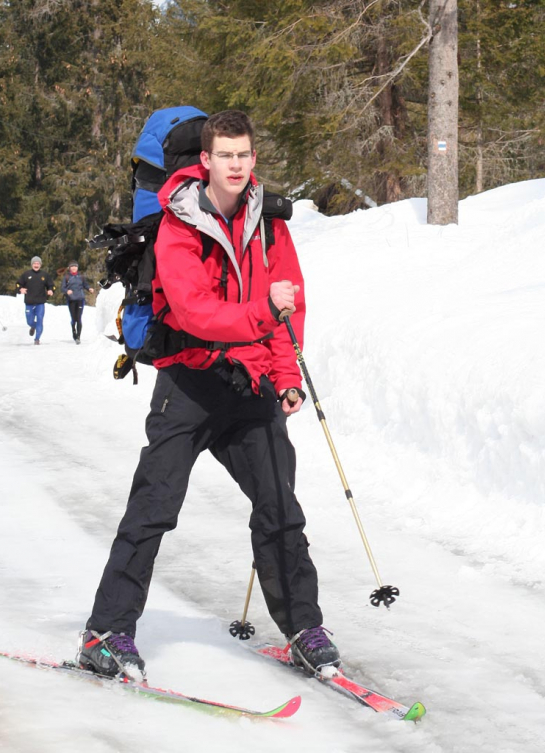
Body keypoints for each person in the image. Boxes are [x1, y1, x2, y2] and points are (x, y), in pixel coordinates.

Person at [78, 110, 341, 681]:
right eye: (226, 156)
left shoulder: (270, 225)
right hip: (189, 382)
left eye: (245, 155)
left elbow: (287, 308)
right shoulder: (178, 225)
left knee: (280, 510)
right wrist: (262, 313)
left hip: (250, 381)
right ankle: (106, 632)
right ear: (206, 160)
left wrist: (286, 374)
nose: (237, 166)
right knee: (153, 508)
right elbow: (197, 311)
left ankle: (303, 629)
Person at [16, 256, 54, 345]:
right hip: (29, 302)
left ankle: (37, 339)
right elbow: (18, 284)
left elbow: (51, 285)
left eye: (38, 263)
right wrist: (20, 289)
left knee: (40, 320)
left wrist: (51, 290)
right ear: (32, 264)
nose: (36, 265)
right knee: (29, 321)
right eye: (34, 263)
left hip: (40, 302)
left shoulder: (44, 275)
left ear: (40, 265)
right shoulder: (26, 274)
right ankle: (33, 326)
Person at [61, 261, 94, 344]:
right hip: (71, 300)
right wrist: (67, 291)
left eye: (75, 266)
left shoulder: (81, 276)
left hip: (80, 299)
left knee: (79, 318)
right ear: (69, 268)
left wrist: (89, 288)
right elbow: (62, 288)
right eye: (72, 266)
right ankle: (73, 331)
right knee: (73, 318)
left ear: (77, 268)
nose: (74, 268)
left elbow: (85, 285)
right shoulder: (67, 277)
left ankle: (78, 336)